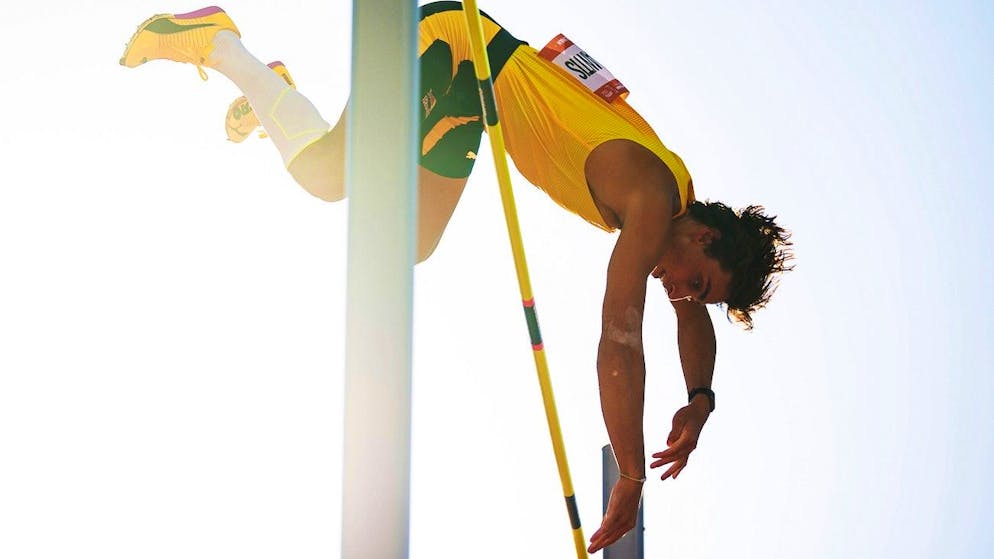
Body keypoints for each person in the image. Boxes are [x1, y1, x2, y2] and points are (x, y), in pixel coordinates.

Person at [120, 2, 792, 553]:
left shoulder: (680, 194)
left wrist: (700, 398)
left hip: (472, 99)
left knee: (401, 242)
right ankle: (221, 45)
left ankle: (279, 97)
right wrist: (631, 471)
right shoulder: (650, 200)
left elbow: (691, 320)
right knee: (331, 178)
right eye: (695, 281)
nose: (679, 293)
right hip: (455, 46)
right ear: (703, 236)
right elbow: (620, 337)